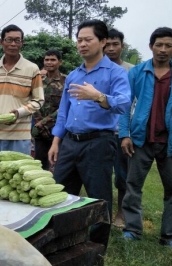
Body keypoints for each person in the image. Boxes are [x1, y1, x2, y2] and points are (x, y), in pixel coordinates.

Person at [48, 20, 131, 244]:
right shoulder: (74, 75)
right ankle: (62, 241)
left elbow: (124, 103)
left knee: (98, 198)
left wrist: (98, 96)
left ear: (103, 42)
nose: (82, 44)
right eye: (79, 40)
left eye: (88, 40)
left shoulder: (115, 73)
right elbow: (64, 110)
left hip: (99, 142)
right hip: (70, 142)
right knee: (60, 193)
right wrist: (56, 141)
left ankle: (96, 247)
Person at [119, 27, 172, 250]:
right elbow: (125, 106)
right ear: (151, 46)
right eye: (159, 45)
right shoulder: (137, 73)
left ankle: (170, 235)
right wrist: (125, 135)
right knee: (133, 186)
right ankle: (132, 229)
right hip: (140, 141)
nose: (163, 49)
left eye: (168, 45)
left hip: (170, 143)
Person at [0, 25, 44, 155]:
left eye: (17, 40)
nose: (13, 44)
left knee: (19, 169)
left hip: (19, 135)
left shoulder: (32, 69)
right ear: (1, 42)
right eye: (9, 40)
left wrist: (19, 113)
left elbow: (38, 100)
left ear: (22, 43)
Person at [105, 28, 134, 227]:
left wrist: (128, 132)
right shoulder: (96, 68)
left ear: (122, 46)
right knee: (101, 174)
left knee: (123, 175)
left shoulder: (132, 71)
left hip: (123, 132)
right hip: (102, 132)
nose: (111, 48)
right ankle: (102, 211)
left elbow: (134, 102)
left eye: (115, 44)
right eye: (107, 44)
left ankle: (122, 213)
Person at [32, 49, 66, 170]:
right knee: (39, 165)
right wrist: (39, 122)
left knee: (58, 163)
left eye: (53, 60)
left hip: (58, 129)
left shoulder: (66, 81)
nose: (49, 62)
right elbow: (33, 101)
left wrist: (44, 122)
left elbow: (65, 106)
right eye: (47, 60)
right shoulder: (38, 80)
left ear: (60, 62)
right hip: (40, 131)